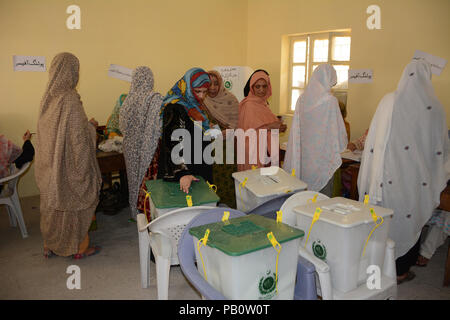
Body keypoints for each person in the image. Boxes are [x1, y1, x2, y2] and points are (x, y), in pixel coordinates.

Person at [357, 59, 450, 284]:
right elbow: (438, 150)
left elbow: (374, 141)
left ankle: (376, 264)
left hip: (383, 178)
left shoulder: (388, 101)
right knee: (410, 220)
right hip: (413, 180)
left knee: (382, 220)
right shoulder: (433, 107)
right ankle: (400, 272)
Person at [35, 52, 102, 259]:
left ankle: (49, 245)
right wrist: (91, 127)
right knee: (77, 200)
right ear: (71, 71)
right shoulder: (70, 99)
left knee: (51, 205)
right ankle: (79, 248)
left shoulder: (47, 99)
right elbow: (78, 140)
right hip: (67, 167)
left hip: (48, 166)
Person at [283, 64, 348, 196]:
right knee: (323, 198)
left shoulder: (301, 100)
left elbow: (297, 129)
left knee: (305, 196)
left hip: (305, 158)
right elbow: (340, 133)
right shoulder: (330, 101)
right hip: (324, 158)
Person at [157, 67, 213, 193]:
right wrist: (182, 173)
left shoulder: (195, 107)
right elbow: (172, 142)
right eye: (197, 91)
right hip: (184, 171)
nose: (201, 96)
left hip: (197, 163)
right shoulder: (174, 107)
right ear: (186, 87)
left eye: (205, 92)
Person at [119, 66, 163, 221]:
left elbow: (121, 126)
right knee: (147, 183)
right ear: (150, 79)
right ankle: (148, 215)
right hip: (148, 148)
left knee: (133, 181)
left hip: (130, 148)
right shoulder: (155, 98)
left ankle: (135, 215)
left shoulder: (127, 100)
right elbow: (159, 126)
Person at [237, 70, 286, 171]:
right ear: (252, 87)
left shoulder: (263, 104)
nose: (261, 90)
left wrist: (278, 127)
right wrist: (271, 126)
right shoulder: (249, 105)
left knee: (267, 183)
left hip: (265, 150)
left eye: (264, 86)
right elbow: (248, 132)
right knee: (256, 182)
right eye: (257, 86)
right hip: (254, 152)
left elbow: (264, 124)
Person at [204, 70, 239, 208]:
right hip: (207, 147)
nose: (212, 88)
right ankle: (212, 208)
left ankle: (230, 209)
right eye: (209, 84)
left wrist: (223, 131)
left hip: (226, 147)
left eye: (216, 84)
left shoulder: (230, 100)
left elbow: (237, 125)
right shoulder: (202, 101)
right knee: (211, 179)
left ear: (221, 84)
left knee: (227, 179)